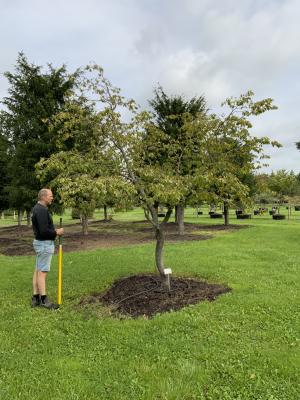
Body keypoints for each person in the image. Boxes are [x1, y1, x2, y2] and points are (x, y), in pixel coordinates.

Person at [31, 188, 64, 309]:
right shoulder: (41, 211)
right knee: (42, 272)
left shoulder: (37, 208)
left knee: (38, 270)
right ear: (43, 197)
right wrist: (57, 232)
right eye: (50, 196)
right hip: (44, 244)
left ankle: (35, 298)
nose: (52, 197)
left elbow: (41, 230)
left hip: (40, 243)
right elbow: (44, 232)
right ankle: (44, 299)